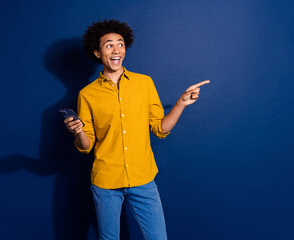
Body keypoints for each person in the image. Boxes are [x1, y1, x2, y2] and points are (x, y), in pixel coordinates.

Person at [64, 19, 210, 240]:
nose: (116, 50)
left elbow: (160, 128)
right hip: (106, 182)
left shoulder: (144, 84)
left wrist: (181, 103)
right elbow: (86, 146)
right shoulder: (87, 94)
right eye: (109, 45)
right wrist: (78, 131)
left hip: (143, 178)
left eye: (120, 44)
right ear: (97, 53)